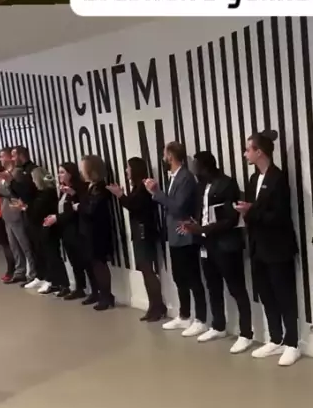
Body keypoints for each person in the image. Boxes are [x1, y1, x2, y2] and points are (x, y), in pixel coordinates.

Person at [235, 130, 300, 367]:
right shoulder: (254, 179)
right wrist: (247, 211)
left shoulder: (278, 178)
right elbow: (255, 211)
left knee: (284, 294)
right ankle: (275, 337)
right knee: (266, 293)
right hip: (257, 245)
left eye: (248, 150)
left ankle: (292, 342)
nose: (245, 154)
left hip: (277, 245)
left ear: (259, 152)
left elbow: (279, 215)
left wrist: (251, 211)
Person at [178, 151, 253, 354]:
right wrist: (192, 224)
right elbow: (201, 212)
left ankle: (246, 333)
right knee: (212, 285)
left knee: (236, 289)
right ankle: (218, 325)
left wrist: (203, 229)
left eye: (196, 165)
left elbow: (231, 219)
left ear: (204, 166)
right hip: (206, 244)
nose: (193, 168)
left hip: (226, 244)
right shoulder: (201, 186)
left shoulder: (227, 184)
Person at [144, 142, 207, 337]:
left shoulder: (186, 177)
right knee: (180, 277)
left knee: (193, 278)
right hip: (175, 235)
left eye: (165, 153)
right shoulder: (174, 177)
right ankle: (184, 314)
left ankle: (201, 319)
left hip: (185, 235)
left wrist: (156, 193)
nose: (163, 157)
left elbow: (178, 207)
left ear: (170, 155)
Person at [107, 157, 166, 322]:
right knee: (146, 271)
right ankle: (155, 306)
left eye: (128, 168)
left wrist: (120, 195)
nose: (126, 171)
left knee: (148, 271)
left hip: (144, 233)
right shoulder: (138, 188)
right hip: (140, 232)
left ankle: (157, 306)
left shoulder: (143, 187)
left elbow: (135, 206)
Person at [43, 162, 92, 300]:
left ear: (71, 173)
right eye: (59, 172)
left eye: (62, 172)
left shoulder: (79, 188)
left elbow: (75, 210)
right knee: (74, 261)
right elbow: (62, 208)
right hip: (64, 230)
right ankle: (80, 288)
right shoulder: (62, 189)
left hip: (76, 229)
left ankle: (94, 290)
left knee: (84, 261)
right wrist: (54, 217)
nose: (59, 175)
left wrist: (57, 218)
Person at [19, 167, 66, 294]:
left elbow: (38, 211)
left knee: (52, 256)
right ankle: (47, 279)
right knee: (42, 254)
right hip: (40, 227)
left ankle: (56, 282)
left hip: (48, 227)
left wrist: (26, 208)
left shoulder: (47, 193)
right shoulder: (40, 193)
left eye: (33, 179)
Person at [79, 155, 114, 311]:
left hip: (98, 232)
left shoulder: (100, 187)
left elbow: (92, 209)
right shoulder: (91, 186)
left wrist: (79, 207)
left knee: (100, 264)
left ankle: (106, 296)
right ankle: (102, 294)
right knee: (94, 264)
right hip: (90, 231)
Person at [0, 146, 36, 285]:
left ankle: (32, 272)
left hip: (16, 213)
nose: (1, 159)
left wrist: (4, 186)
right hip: (6, 214)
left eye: (3, 156)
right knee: (14, 246)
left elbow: (14, 192)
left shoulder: (16, 172)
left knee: (25, 244)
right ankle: (20, 270)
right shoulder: (4, 174)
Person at [0, 160, 15, 282]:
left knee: (7, 244)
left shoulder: (2, 182)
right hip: (0, 214)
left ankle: (11, 269)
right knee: (6, 244)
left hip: (2, 214)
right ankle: (12, 269)